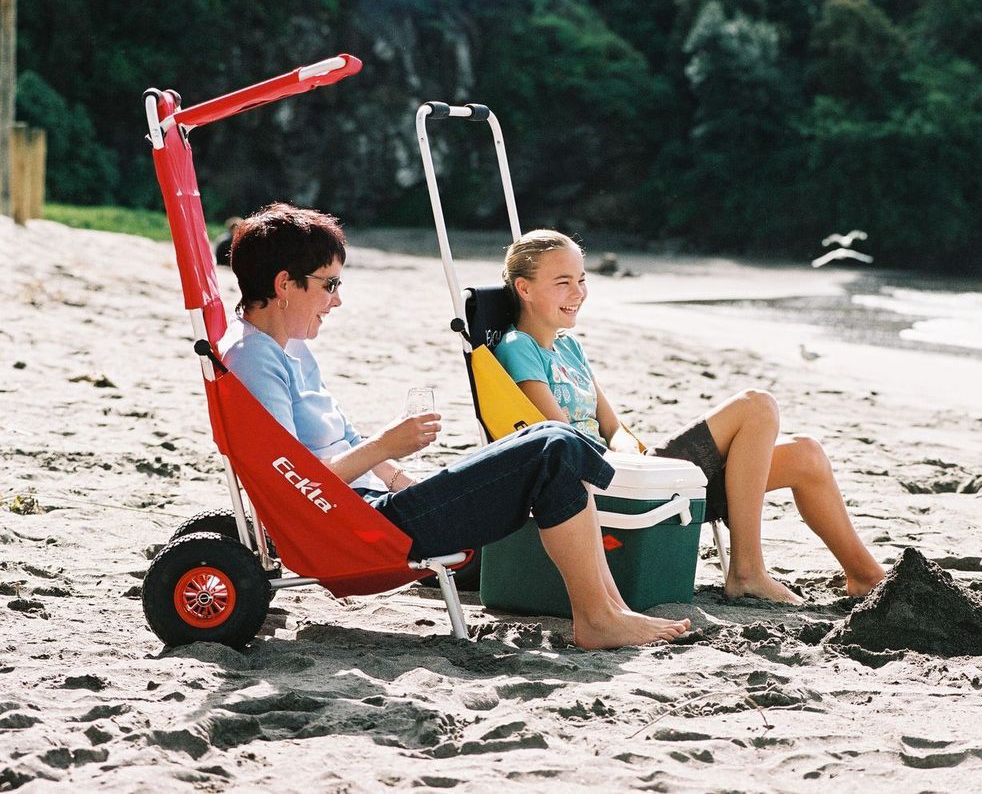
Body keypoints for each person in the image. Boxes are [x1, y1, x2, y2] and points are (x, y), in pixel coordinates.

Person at [218, 203, 690, 649]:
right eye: (329, 284)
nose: (337, 300)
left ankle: (608, 610)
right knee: (555, 446)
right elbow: (291, 486)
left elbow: (341, 441)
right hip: (356, 527)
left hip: (371, 507)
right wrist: (387, 444)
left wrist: (402, 478)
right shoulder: (255, 359)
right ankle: (599, 614)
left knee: (555, 445)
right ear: (285, 284)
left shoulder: (289, 346)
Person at [493, 229, 885, 605]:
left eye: (581, 279)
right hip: (605, 483)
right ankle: (747, 570)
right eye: (563, 282)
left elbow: (613, 427)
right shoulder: (519, 348)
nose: (578, 292)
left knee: (805, 454)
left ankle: (867, 577)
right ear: (524, 288)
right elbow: (561, 438)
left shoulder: (569, 348)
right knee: (757, 405)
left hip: (632, 471)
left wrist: (628, 450)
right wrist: (621, 463)